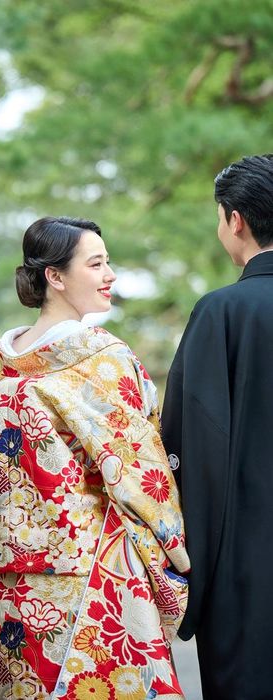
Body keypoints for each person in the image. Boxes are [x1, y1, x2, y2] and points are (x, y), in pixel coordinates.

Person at [0, 216, 190, 700]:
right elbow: (142, 472)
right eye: (96, 264)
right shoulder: (102, 359)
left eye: (108, 262)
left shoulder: (2, 368)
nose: (110, 275)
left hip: (10, 581)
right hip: (89, 577)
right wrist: (176, 555)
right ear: (55, 277)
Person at [161, 154, 273, 699]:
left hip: (250, 571)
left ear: (236, 221)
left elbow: (193, 449)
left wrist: (190, 572)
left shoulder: (223, 313)